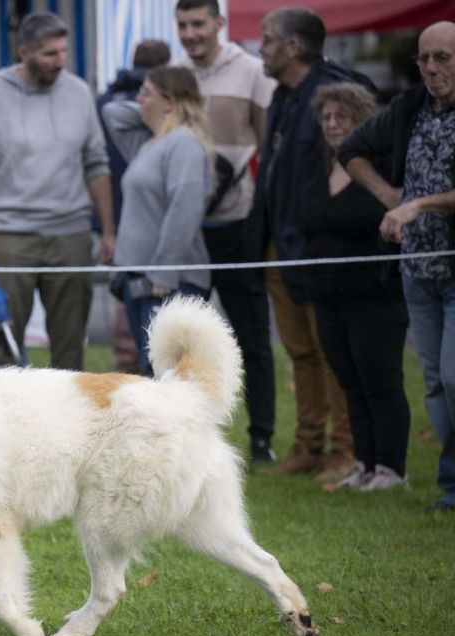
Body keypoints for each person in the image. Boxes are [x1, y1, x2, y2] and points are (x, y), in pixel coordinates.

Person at [249, 7, 374, 478]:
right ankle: (308, 445)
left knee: (331, 352)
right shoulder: (281, 95)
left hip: (322, 247)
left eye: (266, 40)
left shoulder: (338, 91)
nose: (260, 48)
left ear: (292, 47)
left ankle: (345, 449)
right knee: (299, 351)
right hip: (280, 246)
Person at [339, 21, 455, 511]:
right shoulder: (409, 107)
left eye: (443, 58)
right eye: (423, 59)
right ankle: (451, 487)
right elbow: (351, 151)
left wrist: (416, 205)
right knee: (432, 381)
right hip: (415, 269)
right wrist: (390, 195)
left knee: (453, 377)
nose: (430, 68)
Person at [0, 11, 116, 370]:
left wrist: (108, 231)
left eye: (63, 51)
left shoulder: (79, 92)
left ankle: (68, 427)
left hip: (71, 234)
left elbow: (97, 164)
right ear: (24, 52)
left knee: (71, 348)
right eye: (50, 53)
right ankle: (1, 426)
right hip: (9, 235)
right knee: (4, 346)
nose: (60, 60)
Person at [175, 0, 279, 464]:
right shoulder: (172, 72)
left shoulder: (253, 71)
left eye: (199, 24)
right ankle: (177, 436)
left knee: (250, 335)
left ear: (220, 23)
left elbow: (269, 145)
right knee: (180, 337)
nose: (191, 33)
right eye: (182, 25)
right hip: (187, 227)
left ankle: (262, 439)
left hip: (238, 224)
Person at [301, 83, 409, 488]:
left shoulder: (379, 167)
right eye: (326, 117)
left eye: (341, 117)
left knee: (381, 381)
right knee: (350, 383)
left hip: (374, 294)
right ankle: (364, 464)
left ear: (362, 120)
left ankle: (391, 468)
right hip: (328, 296)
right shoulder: (318, 167)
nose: (332, 124)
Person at [106, 66, 213, 375]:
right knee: (151, 372)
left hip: (168, 283)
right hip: (141, 279)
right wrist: (152, 107)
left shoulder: (184, 143)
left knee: (166, 376)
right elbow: (112, 113)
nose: (138, 99)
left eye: (146, 93)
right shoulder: (149, 142)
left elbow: (185, 209)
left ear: (169, 102)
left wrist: (164, 273)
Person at [97, 39, 170, 375]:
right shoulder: (121, 108)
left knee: (137, 331)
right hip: (136, 229)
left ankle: (129, 377)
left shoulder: (109, 99)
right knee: (149, 334)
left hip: (124, 225)